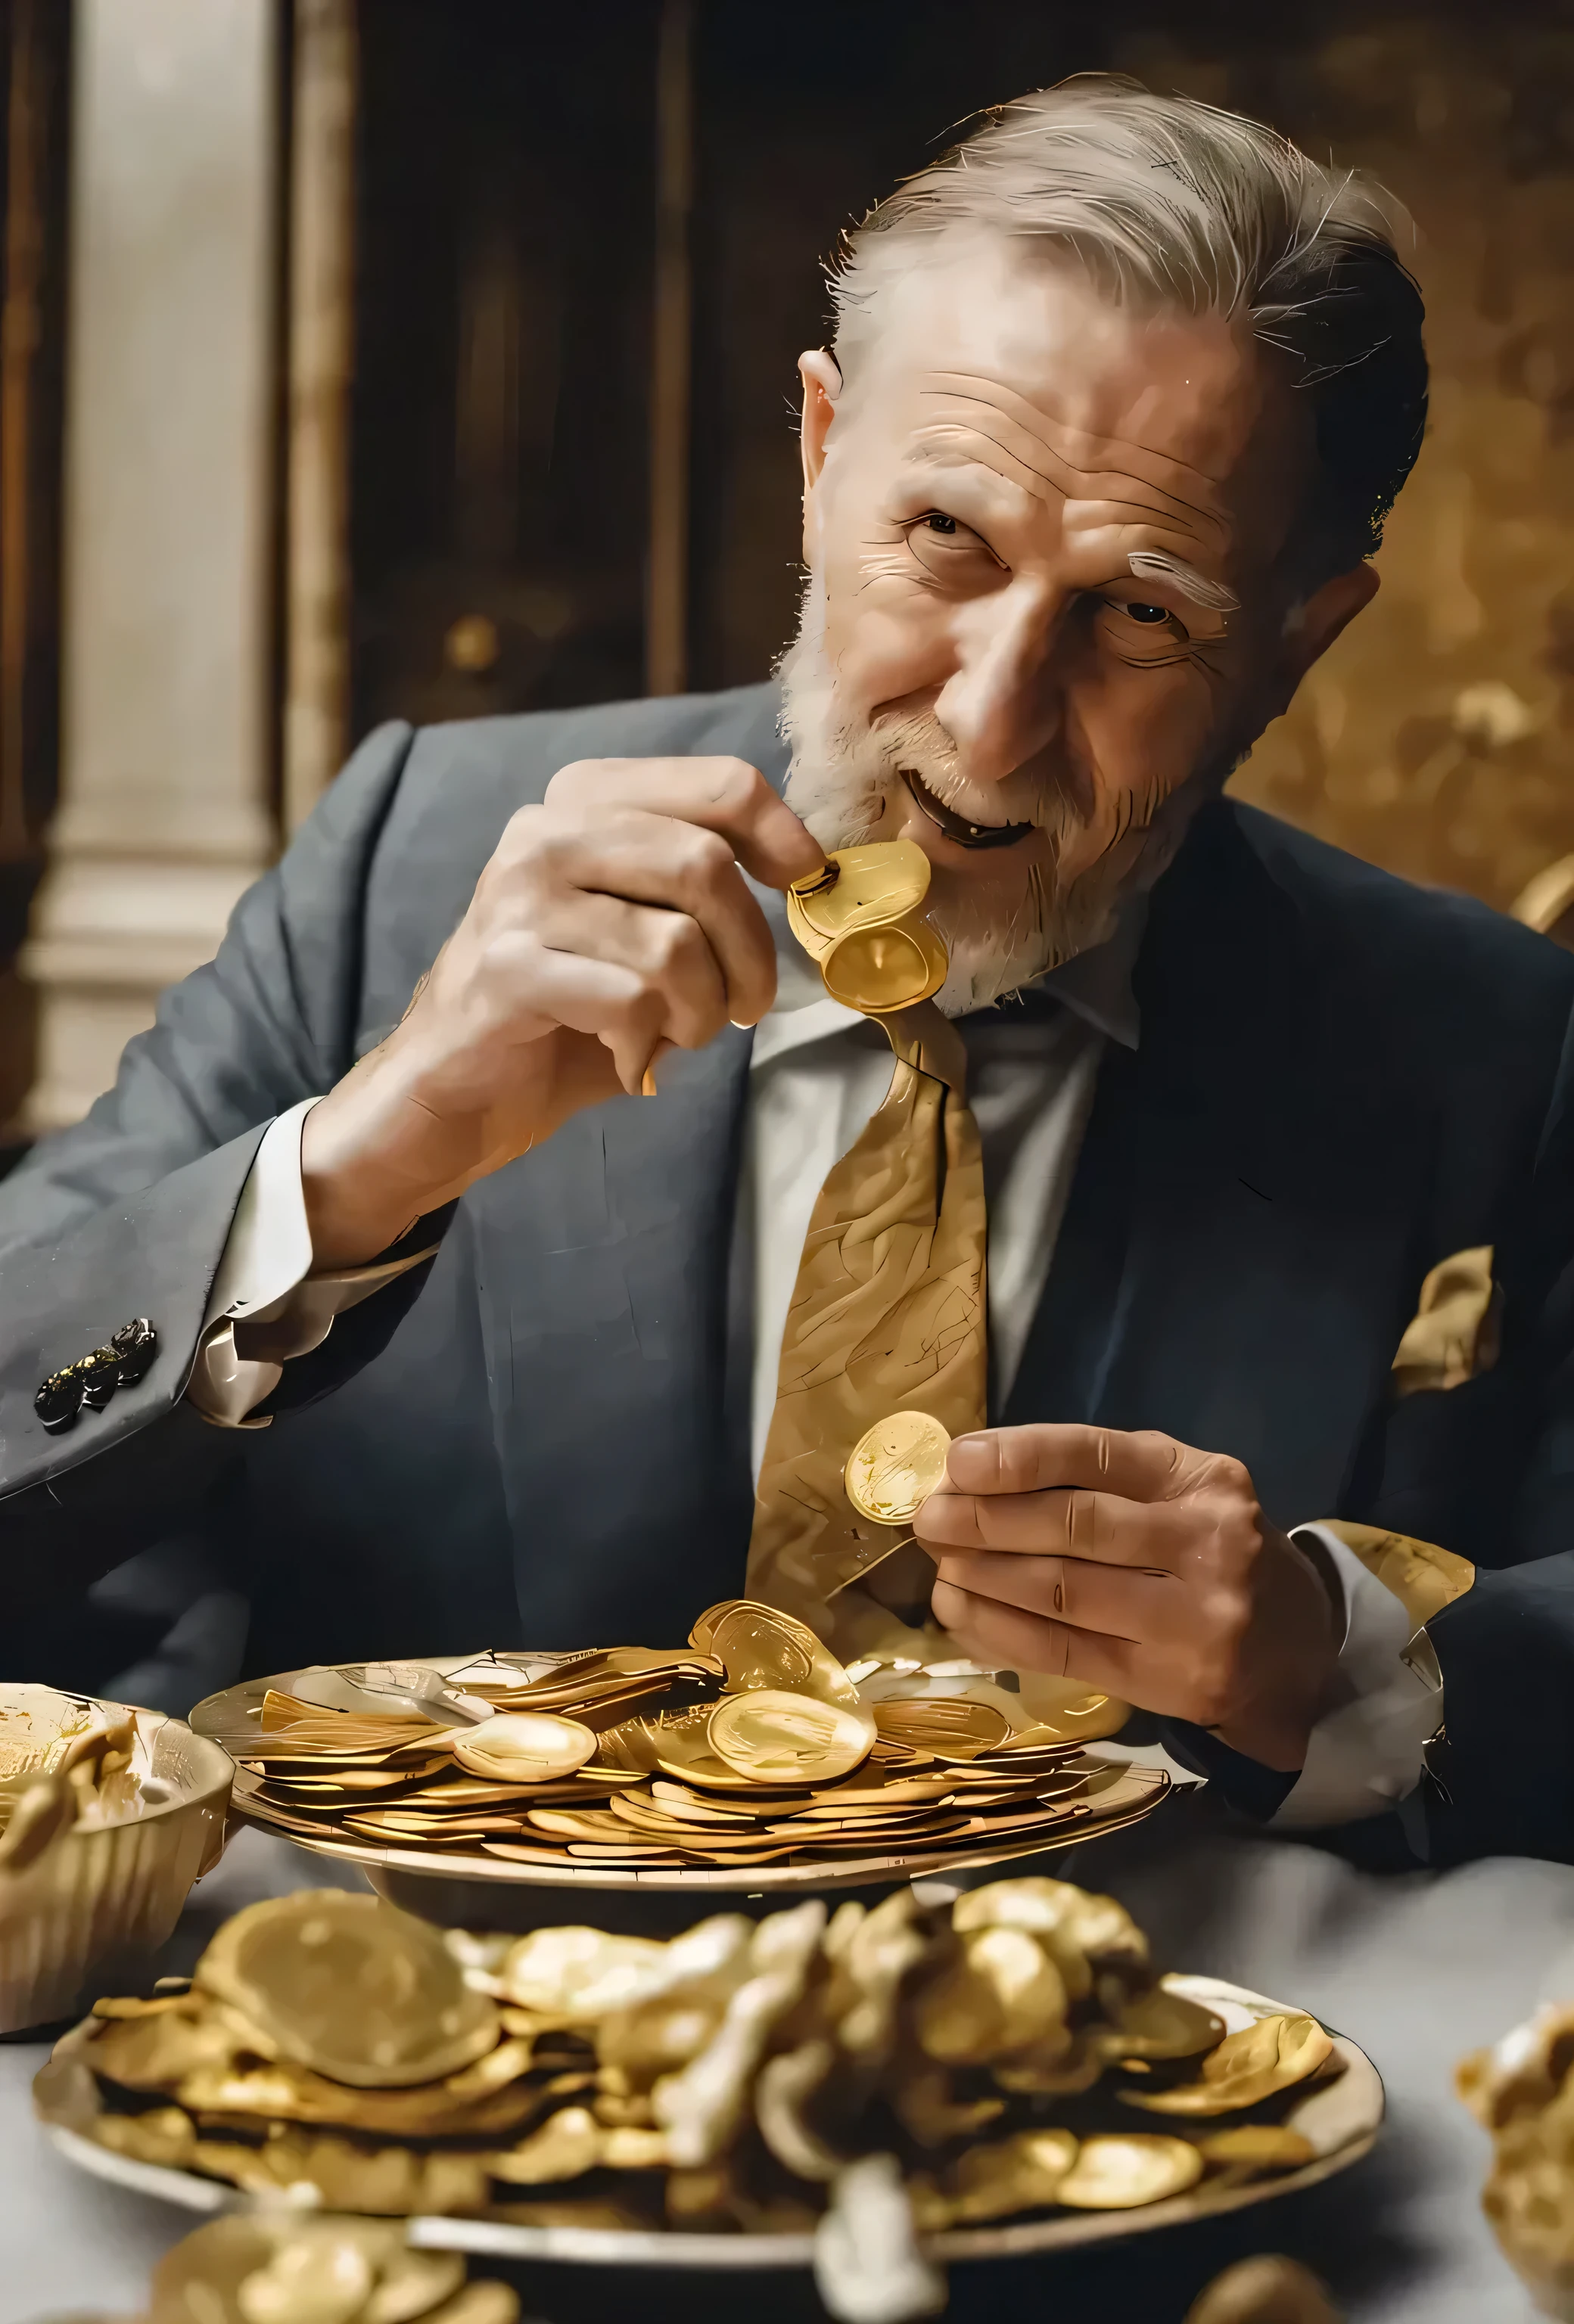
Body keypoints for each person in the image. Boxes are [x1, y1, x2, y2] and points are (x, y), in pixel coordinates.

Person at [4, 77, 1572, 1868]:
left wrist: (1339, 1663)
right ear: (822, 457)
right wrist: (348, 1172)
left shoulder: (1483, 1048)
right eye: (945, 538)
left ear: (1298, 637)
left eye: (1142, 613)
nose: (988, 728)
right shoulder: (406, 861)